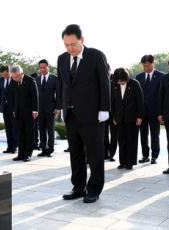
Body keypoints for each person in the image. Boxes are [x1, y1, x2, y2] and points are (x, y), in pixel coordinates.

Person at [57, 24, 110, 203]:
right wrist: (62, 107)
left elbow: (104, 83)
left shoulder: (95, 56)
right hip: (71, 115)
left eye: (73, 44)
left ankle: (94, 189)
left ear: (82, 40)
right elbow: (62, 85)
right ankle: (78, 187)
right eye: (66, 44)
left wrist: (104, 108)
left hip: (92, 114)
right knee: (76, 154)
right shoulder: (62, 59)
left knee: (95, 154)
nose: (70, 48)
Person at [111, 68, 144, 170]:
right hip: (120, 118)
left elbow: (140, 101)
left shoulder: (134, 84)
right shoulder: (115, 85)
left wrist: (140, 116)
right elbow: (113, 101)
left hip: (133, 117)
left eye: (122, 80)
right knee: (121, 140)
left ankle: (130, 162)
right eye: (118, 80)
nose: (120, 82)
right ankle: (123, 162)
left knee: (132, 140)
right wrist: (114, 116)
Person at [136, 55, 164, 165]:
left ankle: (154, 156)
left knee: (155, 134)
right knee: (143, 134)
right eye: (143, 66)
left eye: (147, 65)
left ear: (153, 63)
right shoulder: (139, 77)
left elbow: (162, 96)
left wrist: (161, 112)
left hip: (155, 111)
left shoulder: (161, 76)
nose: (145, 68)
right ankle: (145, 155)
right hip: (142, 112)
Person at [11, 65, 39, 162]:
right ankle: (20, 154)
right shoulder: (13, 81)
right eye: (13, 77)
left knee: (29, 133)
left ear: (21, 74)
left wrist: (35, 110)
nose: (15, 79)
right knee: (20, 133)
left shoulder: (30, 80)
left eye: (16, 77)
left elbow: (35, 96)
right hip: (18, 112)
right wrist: (14, 110)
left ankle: (28, 154)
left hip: (29, 112)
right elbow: (14, 96)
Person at [35, 59, 59, 157]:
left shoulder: (54, 78)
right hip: (40, 109)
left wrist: (57, 107)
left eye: (44, 67)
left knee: (50, 130)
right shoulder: (36, 79)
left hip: (51, 109)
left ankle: (50, 149)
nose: (42, 69)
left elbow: (59, 94)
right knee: (42, 130)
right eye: (40, 68)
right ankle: (43, 149)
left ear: (48, 67)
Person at [0, 65, 18, 154]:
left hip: (13, 108)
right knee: (8, 128)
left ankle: (15, 147)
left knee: (14, 128)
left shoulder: (15, 79)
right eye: (3, 75)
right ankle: (9, 146)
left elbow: (17, 95)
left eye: (6, 74)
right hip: (4, 107)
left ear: (9, 72)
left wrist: (15, 108)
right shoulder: (0, 80)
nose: (5, 76)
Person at [104, 64, 117, 161]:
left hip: (114, 112)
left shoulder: (115, 79)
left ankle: (112, 154)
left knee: (114, 134)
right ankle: (104, 153)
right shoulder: (100, 79)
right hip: (103, 112)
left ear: (110, 70)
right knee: (103, 134)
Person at [31, 72, 41, 150]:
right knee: (35, 127)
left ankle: (37, 143)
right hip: (34, 110)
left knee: (37, 127)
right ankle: (35, 143)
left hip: (40, 109)